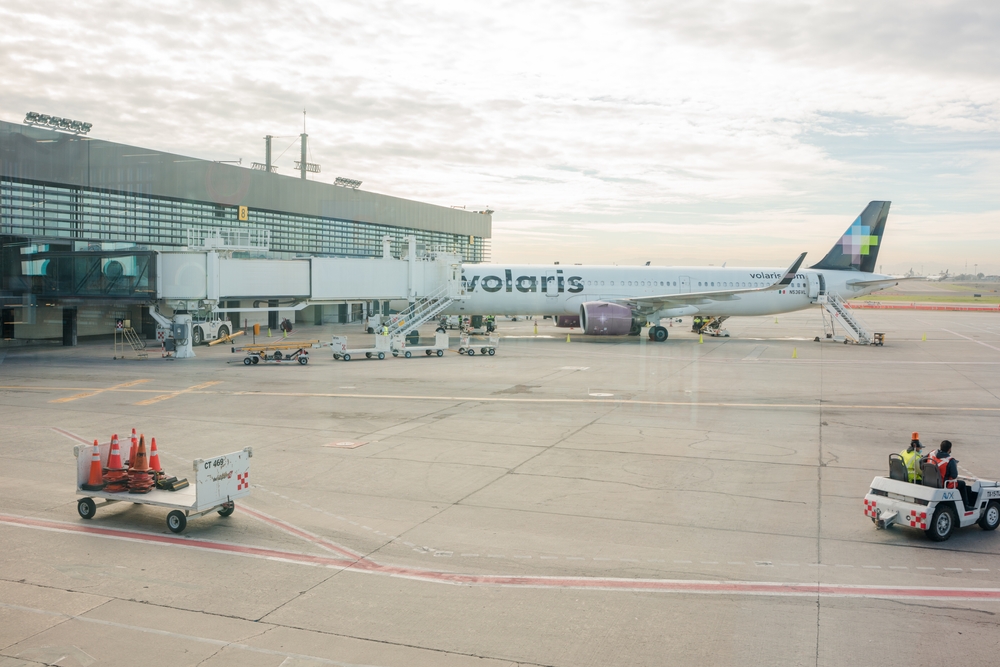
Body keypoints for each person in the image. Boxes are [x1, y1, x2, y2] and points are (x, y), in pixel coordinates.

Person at [926, 440, 969, 507]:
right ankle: (965, 505)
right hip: (943, 484)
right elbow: (954, 475)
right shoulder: (950, 460)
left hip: (928, 481)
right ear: (949, 449)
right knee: (962, 484)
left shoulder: (931, 453)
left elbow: (921, 461)